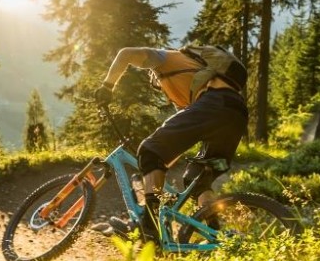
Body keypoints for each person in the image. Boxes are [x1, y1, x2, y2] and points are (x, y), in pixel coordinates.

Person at [94, 46, 248, 240]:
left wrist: (107, 86)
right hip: (237, 114)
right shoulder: (199, 84)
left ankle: (149, 228)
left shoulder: (168, 59)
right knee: (197, 179)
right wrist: (156, 164)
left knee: (149, 149)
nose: (166, 95)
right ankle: (217, 235)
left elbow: (125, 53)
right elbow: (174, 147)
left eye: (158, 85)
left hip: (216, 102)